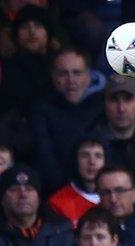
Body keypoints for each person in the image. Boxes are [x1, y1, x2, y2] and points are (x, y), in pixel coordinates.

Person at [31, 48, 104, 190]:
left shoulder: (104, 106)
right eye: (63, 74)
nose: (71, 80)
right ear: (53, 77)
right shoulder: (40, 109)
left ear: (89, 76)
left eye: (77, 73)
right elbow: (45, 159)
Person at [0, 164, 75, 246]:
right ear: (2, 199)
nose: (23, 195)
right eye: (15, 189)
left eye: (29, 189)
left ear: (39, 198)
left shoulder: (61, 231)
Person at [48, 139, 107, 228]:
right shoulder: (58, 202)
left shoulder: (117, 196)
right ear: (75, 160)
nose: (92, 162)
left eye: (98, 156)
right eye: (85, 156)